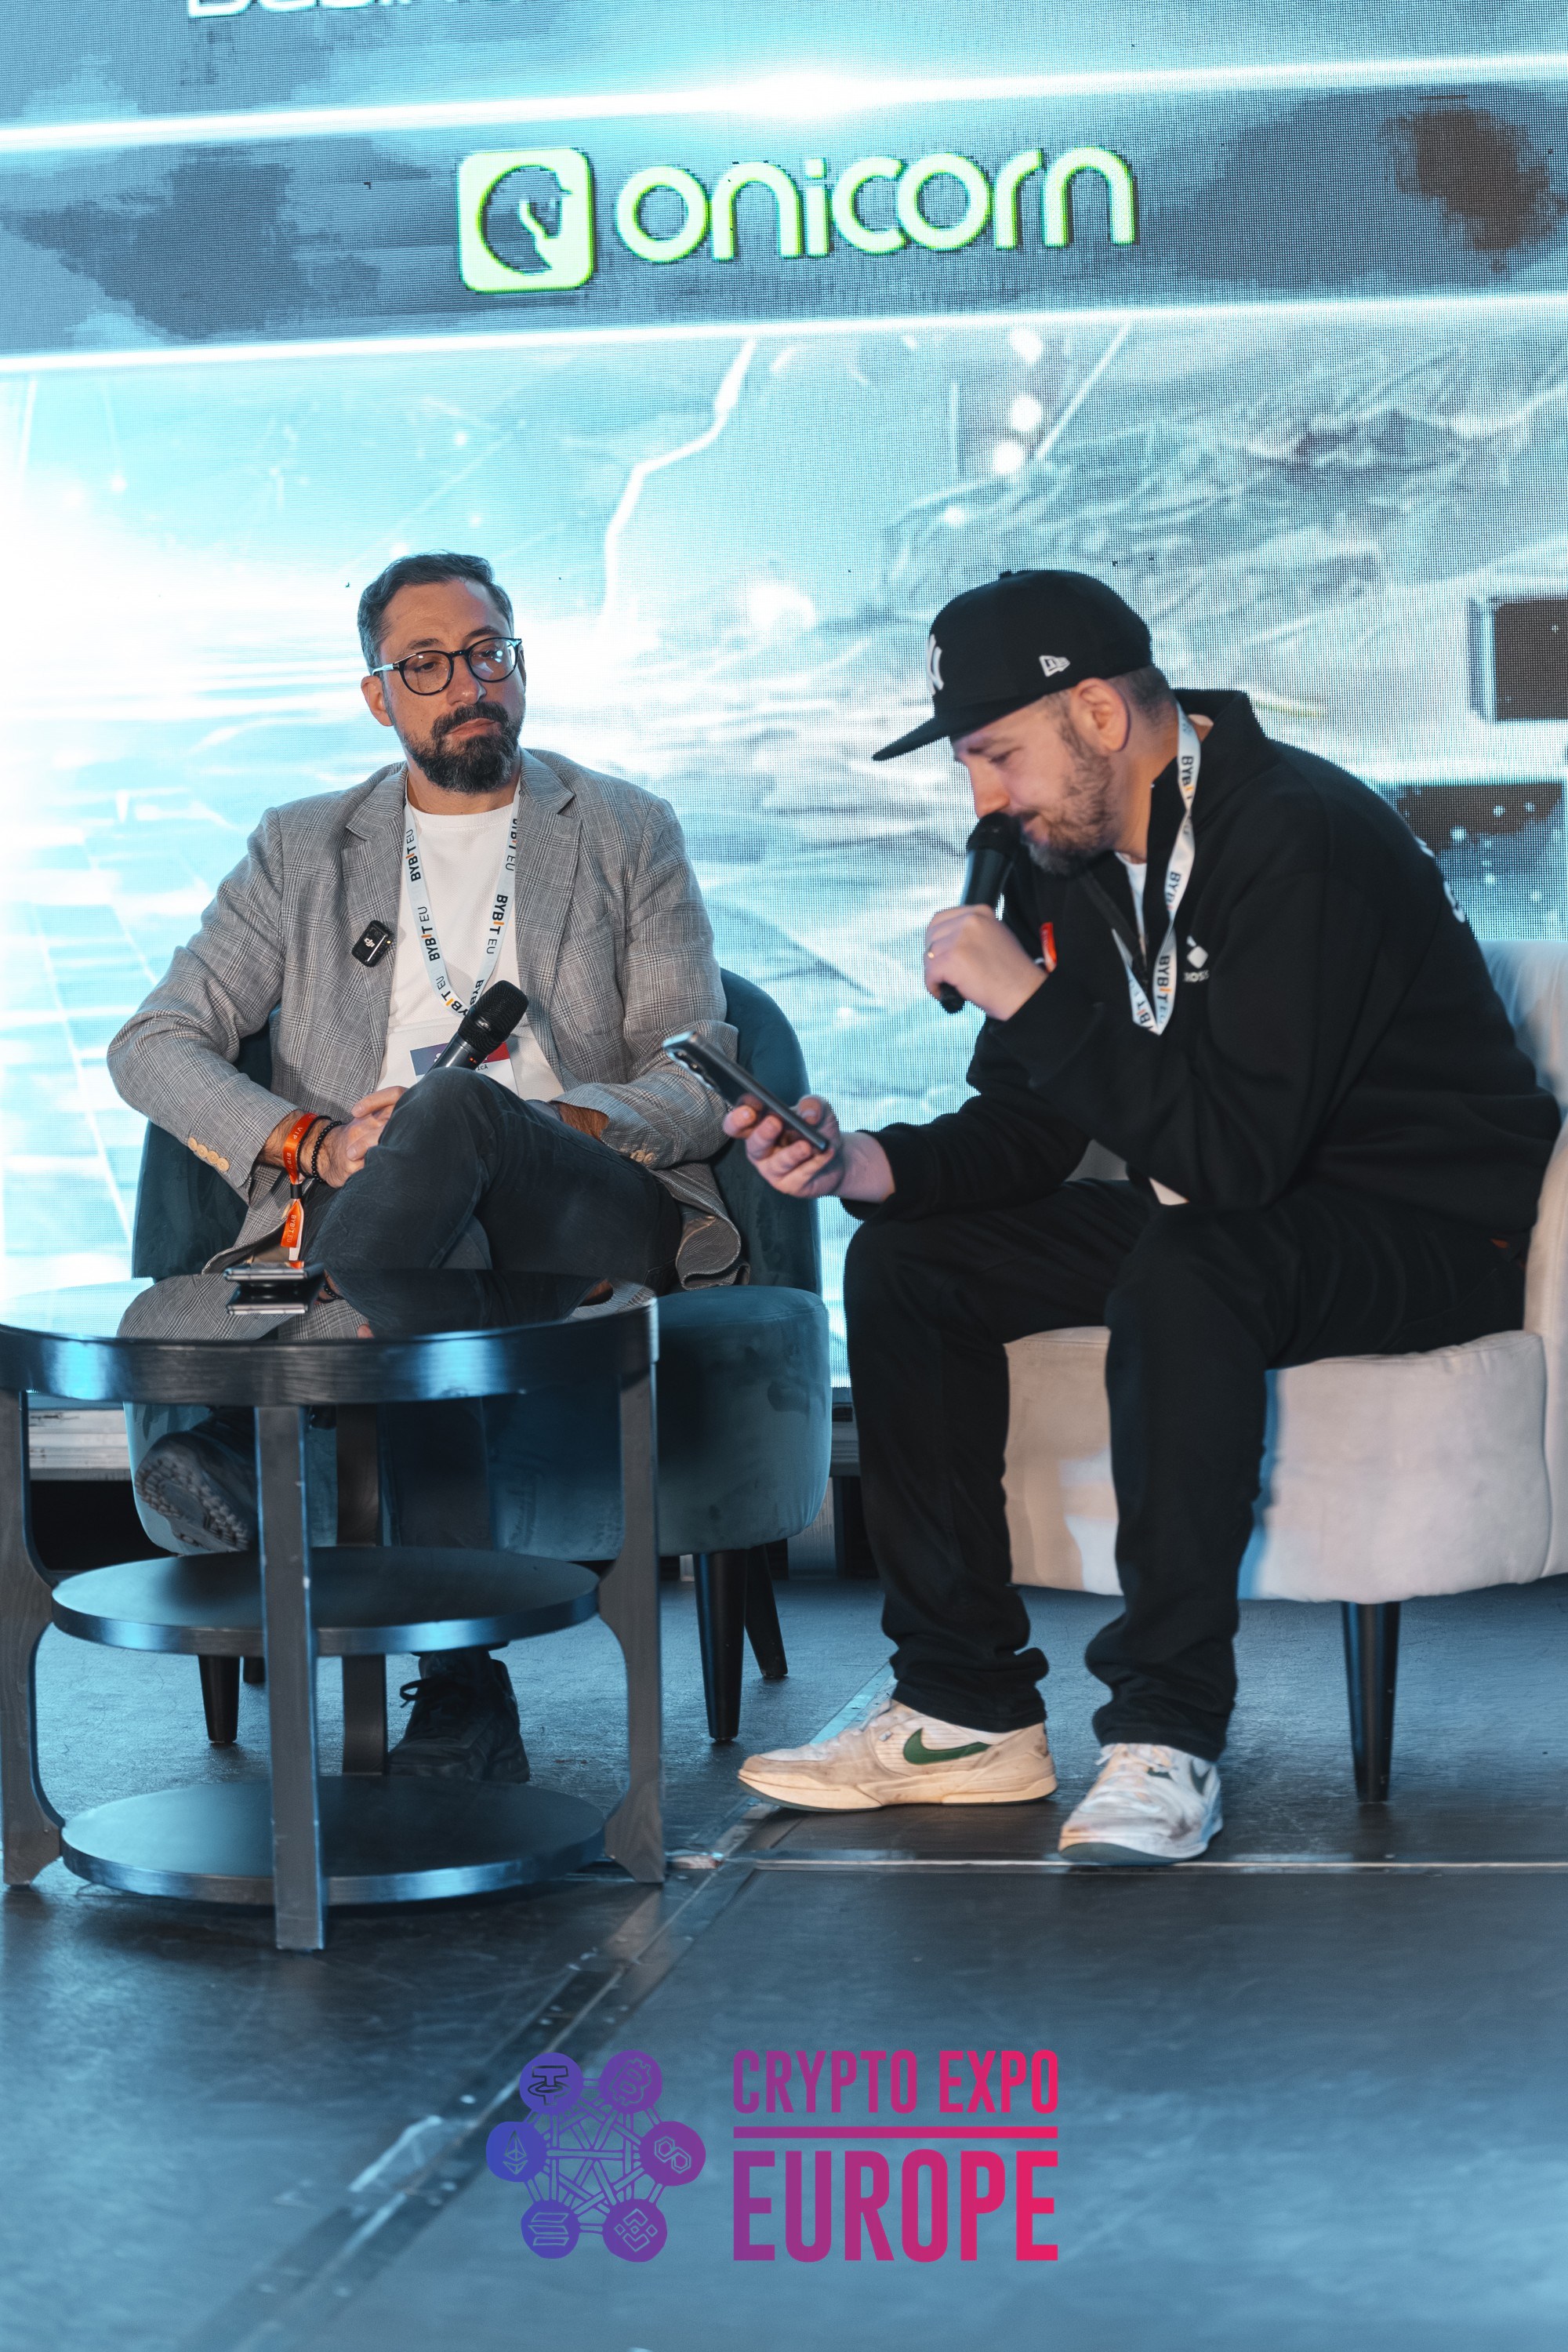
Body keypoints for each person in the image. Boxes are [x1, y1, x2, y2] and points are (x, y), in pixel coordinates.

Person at [727, 569, 1559, 1864]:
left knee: (1191, 1266)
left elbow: (1235, 1156)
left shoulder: (1297, 835)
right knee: (912, 1264)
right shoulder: (1066, 858)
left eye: (996, 755)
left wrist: (1029, 996)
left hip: (1427, 1229)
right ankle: (964, 1708)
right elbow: (1034, 1123)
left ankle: (1167, 1733)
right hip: (1230, 1214)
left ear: (1101, 716)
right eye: (968, 764)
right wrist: (866, 1167)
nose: (983, 798)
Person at [109, 549, 739, 1780]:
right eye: (430, 665)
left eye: (489, 653)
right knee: (428, 1262)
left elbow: (697, 1068)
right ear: (378, 695)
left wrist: (560, 1124)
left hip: (586, 1198)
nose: (470, 684)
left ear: (519, 661)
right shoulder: (302, 848)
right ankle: (461, 1694)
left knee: (454, 1106)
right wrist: (319, 1139)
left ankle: (245, 1424)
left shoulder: (624, 828)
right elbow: (152, 1043)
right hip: (391, 1217)